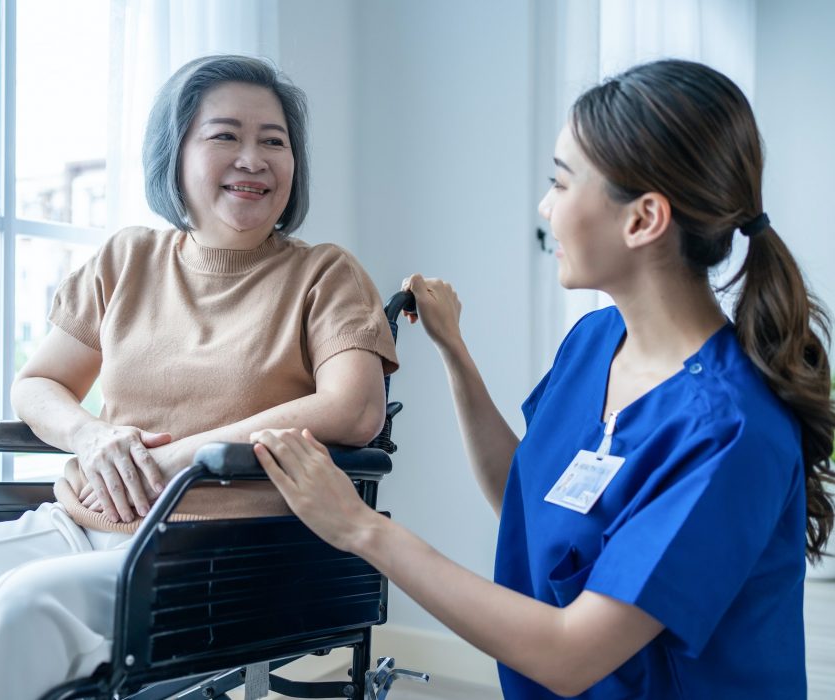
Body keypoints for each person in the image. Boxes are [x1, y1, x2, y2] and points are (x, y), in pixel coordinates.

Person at [252, 59, 835, 699]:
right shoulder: (596, 341)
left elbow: (570, 654)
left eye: (560, 183)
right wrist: (455, 352)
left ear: (643, 219)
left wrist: (362, 530)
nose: (544, 206)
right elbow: (525, 502)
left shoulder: (732, 429)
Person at [0, 55, 397, 700]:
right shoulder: (127, 258)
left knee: (14, 610)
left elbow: (355, 408)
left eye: (274, 141)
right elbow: (38, 384)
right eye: (225, 136)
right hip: (76, 527)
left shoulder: (325, 274)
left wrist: (181, 458)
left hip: (222, 551)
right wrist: (92, 436)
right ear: (174, 154)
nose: (253, 159)